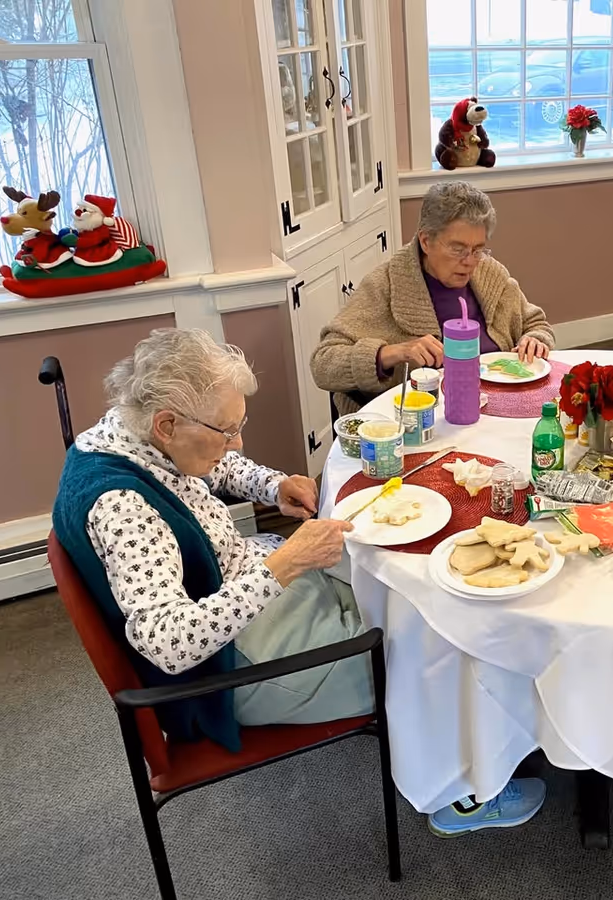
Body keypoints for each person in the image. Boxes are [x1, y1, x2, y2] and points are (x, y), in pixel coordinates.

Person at [51, 328, 547, 837]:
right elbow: (167, 644)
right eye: (226, 431)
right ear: (168, 424)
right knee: (432, 645)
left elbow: (204, 467)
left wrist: (271, 484)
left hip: (252, 590)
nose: (235, 443)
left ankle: (460, 724)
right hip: (232, 667)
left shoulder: (125, 432)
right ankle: (455, 795)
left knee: (405, 583)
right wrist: (284, 565)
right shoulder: (124, 508)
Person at [311, 181, 556, 416]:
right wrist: (392, 353)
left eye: (478, 249)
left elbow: (534, 323)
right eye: (457, 249)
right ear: (426, 241)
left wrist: (534, 339)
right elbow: (323, 364)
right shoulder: (386, 285)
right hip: (417, 425)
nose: (470, 261)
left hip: (496, 412)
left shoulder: (490, 274)